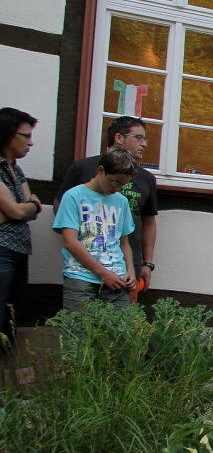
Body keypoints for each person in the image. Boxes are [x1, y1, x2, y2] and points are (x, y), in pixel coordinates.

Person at [55, 116, 158, 301]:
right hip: (82, 268)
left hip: (126, 264)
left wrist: (146, 263)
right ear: (119, 138)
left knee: (120, 323)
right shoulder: (83, 167)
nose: (144, 144)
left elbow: (149, 222)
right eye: (139, 137)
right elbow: (61, 210)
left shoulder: (145, 178)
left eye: (145, 139)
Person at [53, 148, 138, 311]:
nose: (117, 189)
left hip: (117, 278)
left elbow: (124, 242)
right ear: (101, 170)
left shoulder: (121, 201)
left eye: (123, 185)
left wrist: (131, 271)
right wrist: (103, 273)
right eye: (115, 182)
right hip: (80, 277)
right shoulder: (73, 196)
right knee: (79, 332)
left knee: (119, 333)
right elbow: (70, 242)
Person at [0, 108, 42, 349]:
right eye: (25, 136)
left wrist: (30, 206)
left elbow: (31, 207)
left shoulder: (15, 169)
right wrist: (24, 208)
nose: (31, 142)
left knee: (13, 313)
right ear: (7, 135)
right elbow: (18, 211)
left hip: (18, 251)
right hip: (2, 249)